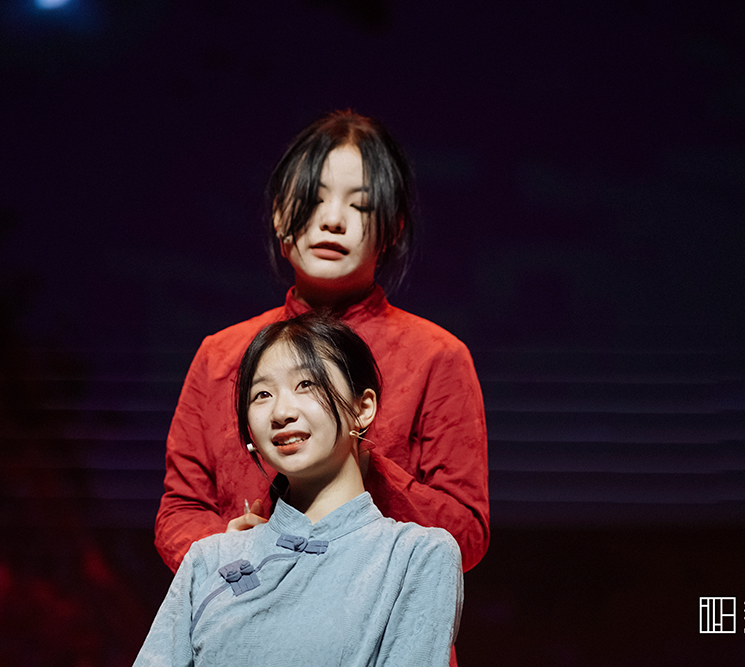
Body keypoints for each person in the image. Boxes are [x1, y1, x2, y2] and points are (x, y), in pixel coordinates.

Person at [155, 110, 488, 575]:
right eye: (312, 199)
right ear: (278, 215)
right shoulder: (220, 355)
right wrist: (227, 549)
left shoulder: (436, 356)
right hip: (248, 611)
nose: (332, 220)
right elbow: (180, 511)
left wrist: (363, 463)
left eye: (361, 206)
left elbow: (465, 536)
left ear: (393, 229)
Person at [134, 313, 463, 666]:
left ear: (363, 408)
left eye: (307, 384)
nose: (281, 412)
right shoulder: (209, 558)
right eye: (262, 394)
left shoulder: (416, 555)